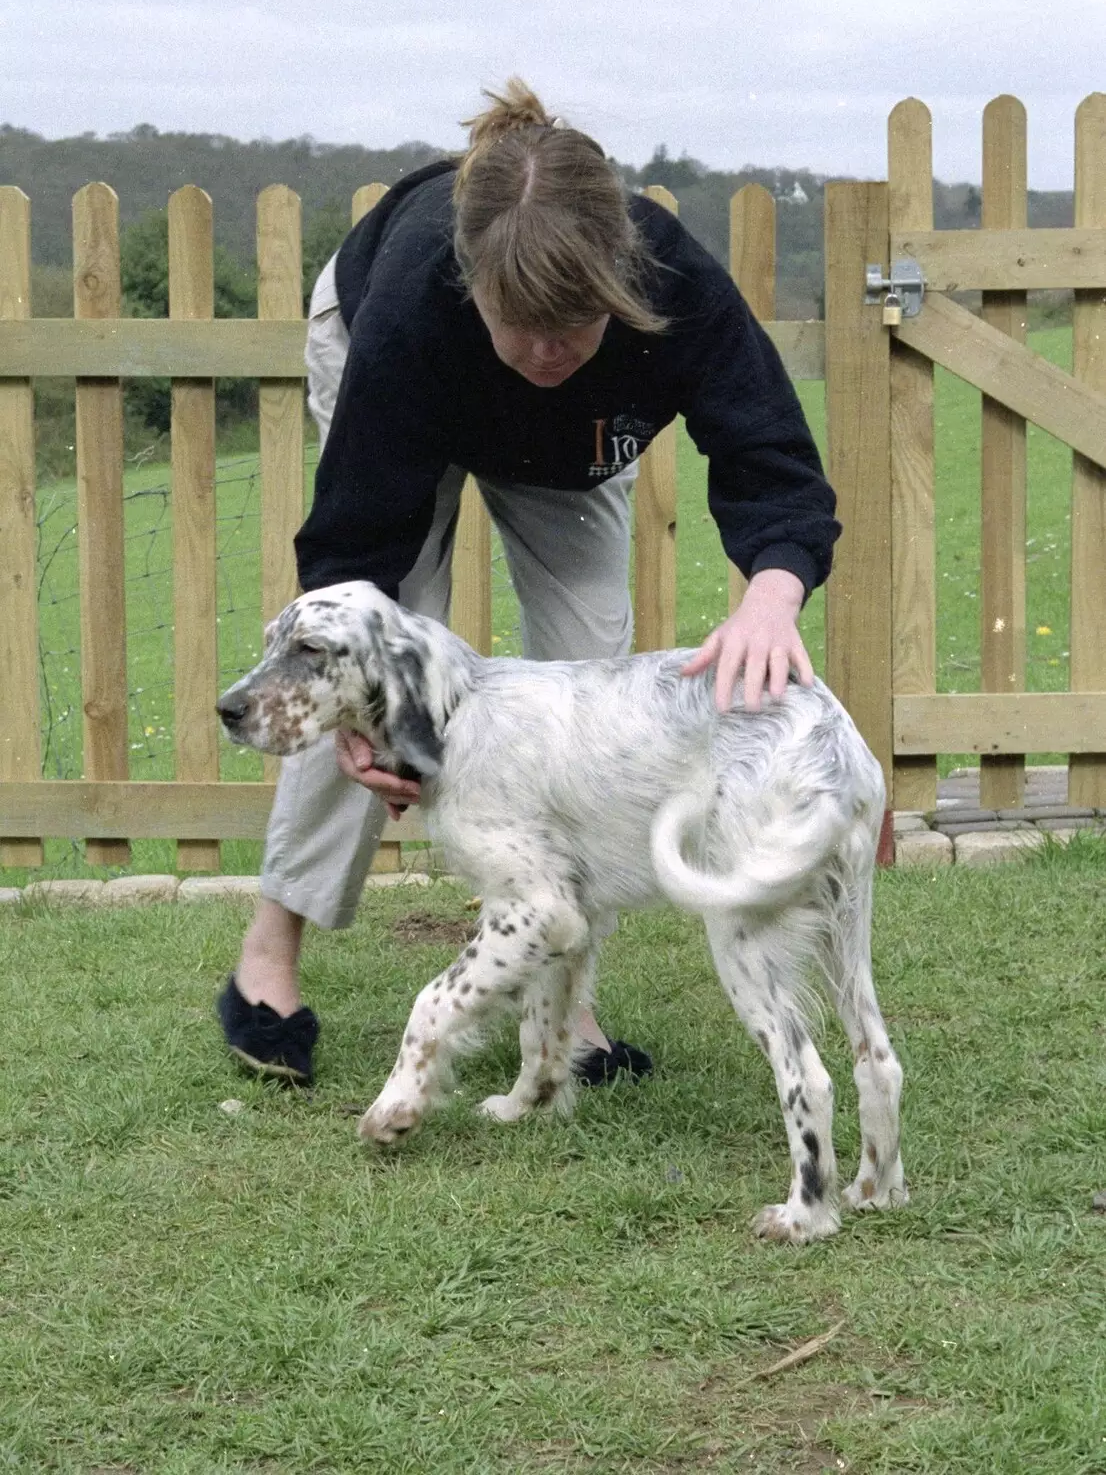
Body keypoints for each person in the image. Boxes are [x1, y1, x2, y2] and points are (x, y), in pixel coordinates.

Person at [217, 78, 840, 1087]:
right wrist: (360, 723)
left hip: (569, 452)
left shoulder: (672, 283)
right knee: (362, 660)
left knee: (591, 651)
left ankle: (565, 1006)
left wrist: (773, 588)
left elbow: (766, 447)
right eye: (524, 330)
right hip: (390, 366)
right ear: (476, 290)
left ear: (620, 292)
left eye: (576, 330)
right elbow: (353, 552)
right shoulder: (418, 305)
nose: (549, 354)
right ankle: (267, 959)